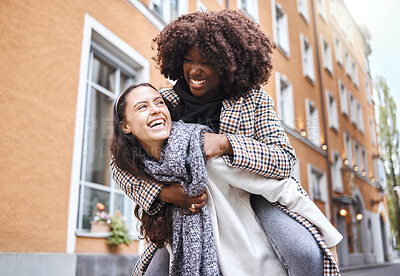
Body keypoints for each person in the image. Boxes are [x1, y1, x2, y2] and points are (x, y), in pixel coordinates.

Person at [110, 10, 341, 275]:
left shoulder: (254, 100)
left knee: (303, 252)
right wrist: (164, 194)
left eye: (206, 62)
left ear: (227, 63)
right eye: (188, 60)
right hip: (189, 204)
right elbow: (121, 162)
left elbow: (284, 159)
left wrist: (227, 143)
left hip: (255, 196)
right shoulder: (165, 103)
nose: (194, 70)